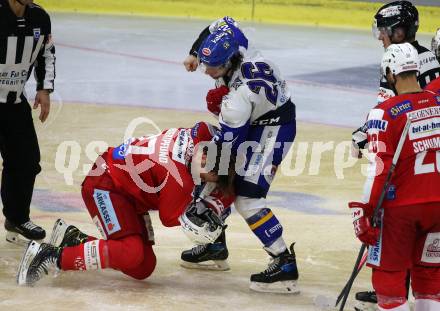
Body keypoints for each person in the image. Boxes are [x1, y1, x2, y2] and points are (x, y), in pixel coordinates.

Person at [17, 122, 235, 286]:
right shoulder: (179, 178)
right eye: (208, 178)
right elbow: (170, 219)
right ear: (206, 161)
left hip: (124, 189)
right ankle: (49, 256)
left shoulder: (200, 136)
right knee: (131, 254)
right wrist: (203, 217)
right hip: (105, 185)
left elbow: (208, 129)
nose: (205, 183)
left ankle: (75, 240)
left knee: (143, 267)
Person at [181, 17, 299, 294]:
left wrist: (194, 167)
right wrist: (195, 52)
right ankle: (215, 244)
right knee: (211, 183)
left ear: (228, 62)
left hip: (273, 130)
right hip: (259, 114)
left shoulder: (237, 101)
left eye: (212, 66)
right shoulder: (237, 41)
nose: (206, 70)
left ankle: (284, 262)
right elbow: (218, 25)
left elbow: (225, 154)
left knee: (246, 196)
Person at [352, 2, 440, 308]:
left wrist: (365, 209)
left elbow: (403, 113)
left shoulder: (422, 62)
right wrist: (366, 131)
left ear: (400, 30)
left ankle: (395, 290)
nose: (380, 37)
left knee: (397, 265)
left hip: (407, 179)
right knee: (430, 274)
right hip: (430, 182)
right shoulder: (408, 61)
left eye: (385, 30)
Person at [1, 0, 55, 244]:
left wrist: (44, 88)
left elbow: (46, 52)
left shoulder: (40, 17)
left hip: (14, 104)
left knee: (26, 161)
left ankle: (17, 218)